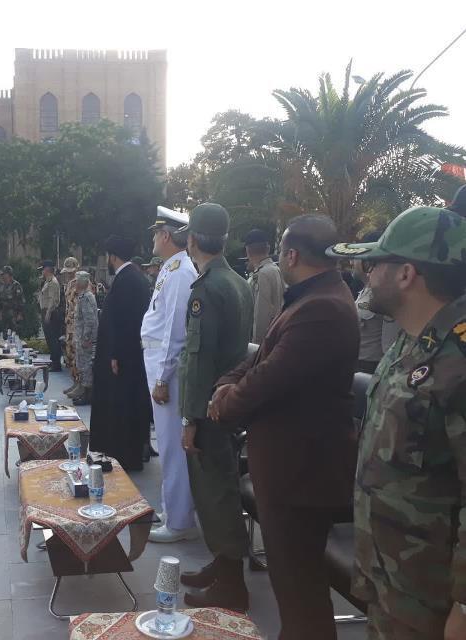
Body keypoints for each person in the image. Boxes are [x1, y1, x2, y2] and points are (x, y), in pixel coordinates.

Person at [211, 214, 360, 638]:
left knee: (301, 590)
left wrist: (225, 403)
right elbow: (257, 359)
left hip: (300, 472)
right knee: (293, 588)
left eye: (280, 250)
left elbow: (268, 378)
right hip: (291, 466)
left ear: (291, 254)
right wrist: (224, 387)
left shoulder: (323, 308)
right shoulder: (311, 298)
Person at [327, 205, 466, 640]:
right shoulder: (410, 340)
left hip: (433, 597)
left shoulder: (459, 361)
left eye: (376, 264)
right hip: (392, 578)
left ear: (406, 274)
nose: (367, 274)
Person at [177, 203, 252, 612]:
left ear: (192, 240)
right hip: (229, 401)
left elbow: (199, 358)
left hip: (209, 407)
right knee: (221, 488)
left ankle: (232, 585)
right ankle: (223, 567)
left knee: (215, 495)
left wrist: (190, 418)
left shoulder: (206, 289)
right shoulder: (238, 282)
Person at [140, 206, 199, 543]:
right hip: (159, 365)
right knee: (166, 443)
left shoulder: (179, 272)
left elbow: (175, 331)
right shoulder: (171, 268)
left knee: (171, 446)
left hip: (168, 372)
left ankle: (178, 521)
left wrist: (162, 378)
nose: (153, 238)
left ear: (166, 236)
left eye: (155, 233)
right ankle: (173, 507)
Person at [89, 235, 152, 471]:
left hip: (123, 356)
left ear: (113, 256)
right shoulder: (133, 277)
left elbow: (126, 321)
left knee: (123, 405)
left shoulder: (127, 279)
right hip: (128, 353)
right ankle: (126, 451)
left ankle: (125, 454)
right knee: (127, 404)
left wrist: (116, 354)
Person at [351, 230, 400, 373]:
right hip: (356, 363)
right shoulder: (364, 290)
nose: (352, 262)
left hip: (371, 368)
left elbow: (390, 345)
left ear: (368, 260)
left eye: (356, 256)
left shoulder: (386, 295)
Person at [244, 228, 284, 345]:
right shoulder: (276, 269)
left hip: (264, 343)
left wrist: (256, 347)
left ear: (247, 251)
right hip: (276, 336)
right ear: (268, 248)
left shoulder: (262, 275)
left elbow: (260, 315)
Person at [71, 271, 98, 405]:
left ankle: (88, 396)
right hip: (81, 338)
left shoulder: (86, 297)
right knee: (82, 366)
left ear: (82, 282)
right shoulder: (83, 296)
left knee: (86, 367)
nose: (74, 283)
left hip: (85, 340)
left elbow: (90, 320)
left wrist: (86, 338)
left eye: (76, 281)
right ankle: (85, 393)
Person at [38, 260, 63, 371]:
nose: (42, 272)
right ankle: (54, 361)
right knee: (50, 339)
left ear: (47, 269)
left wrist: (48, 313)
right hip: (47, 312)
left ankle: (56, 364)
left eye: (42, 269)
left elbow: (53, 300)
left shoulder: (52, 282)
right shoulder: (47, 281)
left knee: (53, 339)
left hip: (51, 313)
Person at [60, 256, 80, 381]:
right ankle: (74, 381)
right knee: (70, 353)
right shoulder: (69, 284)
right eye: (67, 272)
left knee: (77, 355)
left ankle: (79, 382)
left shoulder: (81, 283)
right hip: (69, 324)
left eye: (71, 271)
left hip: (77, 324)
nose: (69, 274)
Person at [0, 266, 25, 337]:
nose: (2, 276)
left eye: (3, 274)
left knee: (15, 335)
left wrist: (20, 314)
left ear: (8, 274)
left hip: (14, 315)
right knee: (5, 335)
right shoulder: (1, 286)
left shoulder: (16, 285)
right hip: (4, 314)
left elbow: (21, 300)